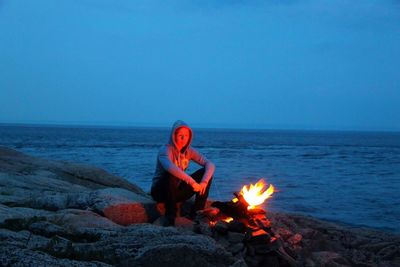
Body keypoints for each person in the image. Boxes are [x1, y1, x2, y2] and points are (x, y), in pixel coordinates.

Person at [151, 120, 215, 226]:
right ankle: (170, 216)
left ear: (189, 137)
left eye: (186, 135)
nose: (183, 138)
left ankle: (197, 213)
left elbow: (210, 164)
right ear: (173, 135)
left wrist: (204, 182)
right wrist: (192, 182)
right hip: (161, 192)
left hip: (177, 191)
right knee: (171, 173)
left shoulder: (189, 151)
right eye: (180, 135)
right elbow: (170, 167)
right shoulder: (165, 150)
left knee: (206, 172)